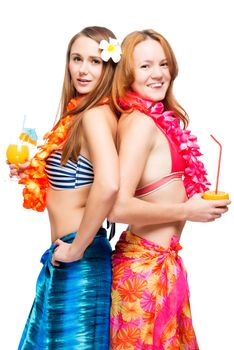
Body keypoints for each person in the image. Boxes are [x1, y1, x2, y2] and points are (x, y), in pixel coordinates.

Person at [108, 29, 231, 349]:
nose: (158, 73)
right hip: (142, 274)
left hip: (163, 264)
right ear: (127, 73)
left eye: (163, 64)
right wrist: (188, 210)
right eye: (146, 66)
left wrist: (196, 202)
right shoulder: (140, 123)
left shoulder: (160, 120)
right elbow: (117, 207)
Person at [10, 26, 120, 349]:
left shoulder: (95, 115)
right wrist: (37, 168)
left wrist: (76, 248)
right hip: (66, 258)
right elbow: (80, 177)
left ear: (109, 67)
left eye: (94, 61)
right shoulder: (79, 113)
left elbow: (109, 183)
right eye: (76, 59)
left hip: (80, 259)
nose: (83, 69)